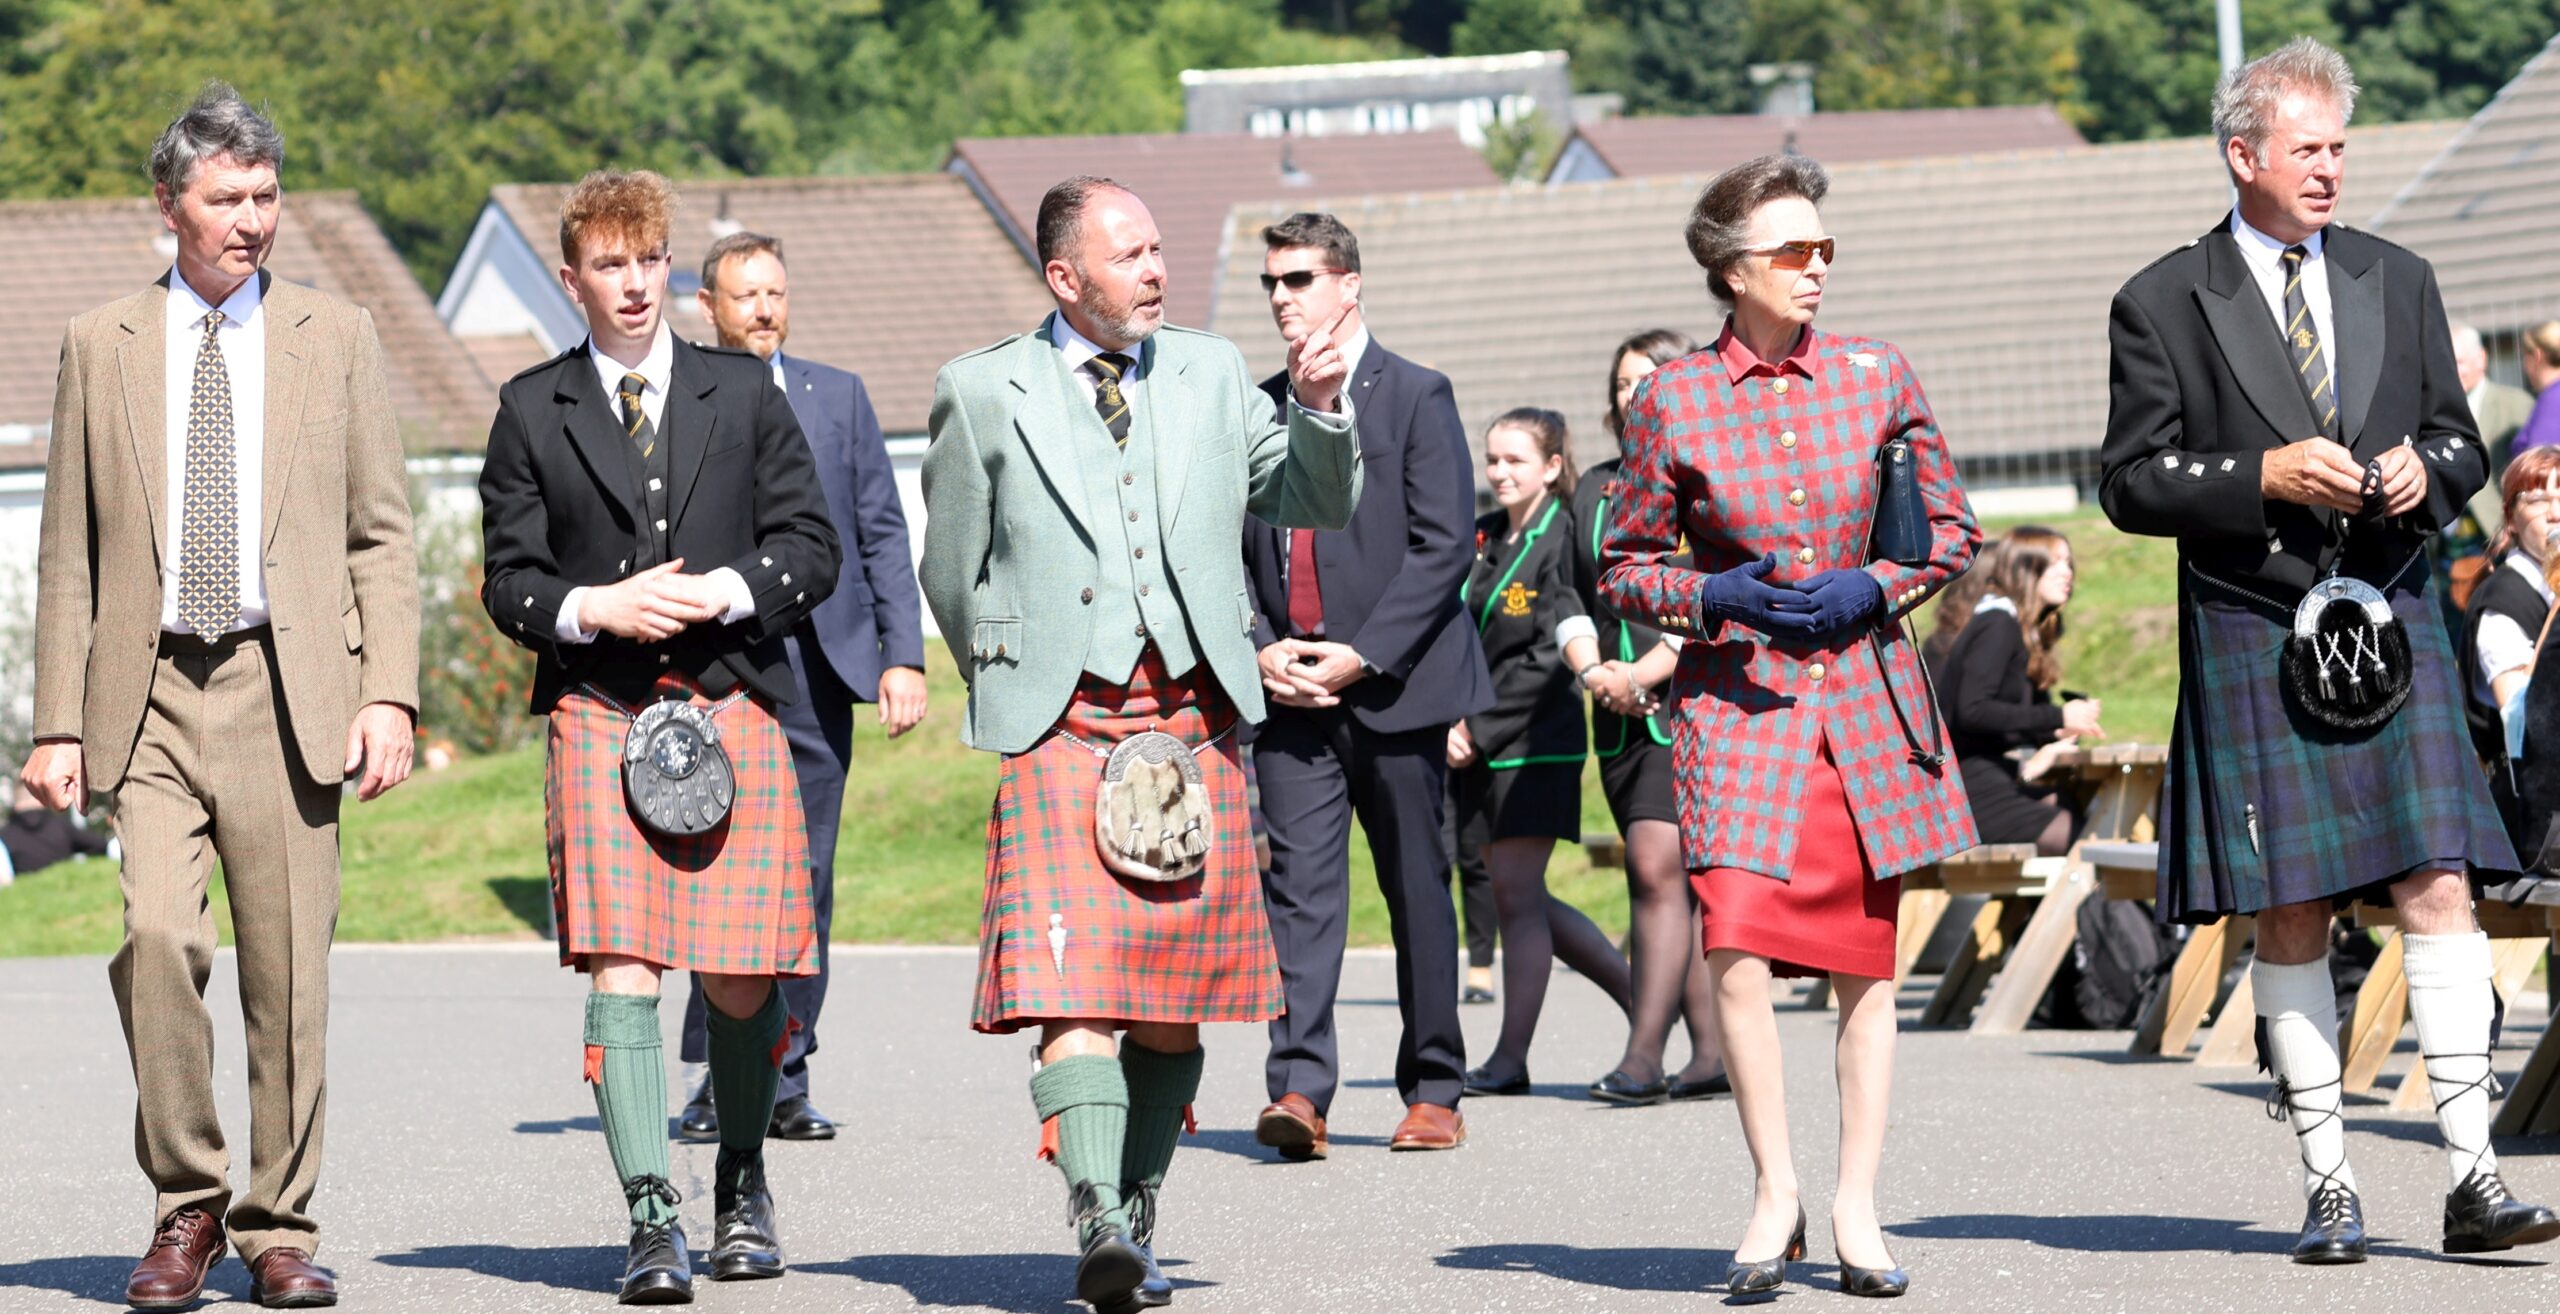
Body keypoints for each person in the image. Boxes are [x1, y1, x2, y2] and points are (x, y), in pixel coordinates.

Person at [2099, 39, 2556, 1264]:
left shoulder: (2396, 278)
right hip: (2255, 621)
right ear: (2241, 155)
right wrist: (2258, 476)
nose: (2329, 171)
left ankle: (2471, 1178)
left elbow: (2462, 443)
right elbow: (2128, 483)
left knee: (2440, 885)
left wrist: (2427, 472)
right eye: (2307, 149)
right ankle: (2329, 1184)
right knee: (2289, 907)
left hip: (2393, 611)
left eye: (2340, 149)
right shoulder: (2162, 298)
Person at [920, 175, 1360, 1314]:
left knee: (1170, 1003)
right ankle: (1096, 1216)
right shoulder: (982, 390)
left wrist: (1320, 404)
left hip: (1192, 719)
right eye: (1132, 255)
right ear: (1066, 278)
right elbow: (951, 569)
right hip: (1061, 726)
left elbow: (1312, 499)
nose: (1158, 269)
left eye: (1161, 247)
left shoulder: (1212, 372)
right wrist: (1017, 670)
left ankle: (1139, 1209)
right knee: (1075, 991)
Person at [20, 83, 421, 1312]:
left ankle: (281, 1226)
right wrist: (53, 725)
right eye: (226, 199)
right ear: (169, 204)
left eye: (266, 197)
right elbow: (69, 553)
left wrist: (389, 696)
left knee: (288, 977)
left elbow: (382, 538)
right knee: (157, 939)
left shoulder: (335, 334)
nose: (252, 221)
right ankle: (187, 1203)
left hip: (284, 687)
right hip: (143, 697)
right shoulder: (101, 343)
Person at [1599, 152, 1980, 1299]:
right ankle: (1775, 1192)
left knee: (1866, 969)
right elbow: (1622, 566)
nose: (1817, 269)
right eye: (1791, 252)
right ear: (1730, 271)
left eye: (1825, 249)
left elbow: (1949, 536)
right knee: (1738, 953)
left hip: (1863, 706)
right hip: (1739, 709)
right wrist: (1713, 596)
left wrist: (1878, 585)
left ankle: (1856, 1203)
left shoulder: (1878, 374)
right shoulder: (1671, 399)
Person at [478, 169, 841, 1303]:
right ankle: (649, 1217)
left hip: (729, 700)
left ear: (669, 269)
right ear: (573, 276)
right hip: (601, 709)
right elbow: (509, 580)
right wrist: (599, 609)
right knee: (624, 975)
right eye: (610, 265)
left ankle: (739, 1182)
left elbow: (811, 544)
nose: (635, 286)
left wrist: (725, 591)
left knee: (740, 978)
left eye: (650, 263)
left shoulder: (741, 392)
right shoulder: (532, 408)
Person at [673, 230, 930, 1146]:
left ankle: (788, 1072)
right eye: (747, 296)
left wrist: (904, 654)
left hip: (824, 670)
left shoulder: (839, 396)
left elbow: (881, 533)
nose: (766, 310)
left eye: (776, 293)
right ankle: (713, 1077)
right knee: (721, 874)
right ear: (709, 306)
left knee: (808, 878)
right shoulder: (681, 393)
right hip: (723, 673)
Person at [1243, 212, 1488, 1161]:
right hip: (1289, 695)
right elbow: (1226, 553)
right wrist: (1262, 647)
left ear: (1348, 284)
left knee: (1415, 887)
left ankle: (1434, 1086)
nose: (1281, 296)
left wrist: (1364, 655)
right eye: (1272, 281)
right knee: (1298, 895)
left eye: (1300, 278)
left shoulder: (1418, 395)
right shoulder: (1258, 407)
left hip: (1395, 687)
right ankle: (1299, 1090)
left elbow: (1442, 549)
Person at [1451, 408, 1635, 1097]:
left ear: (1554, 467)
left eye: (1514, 461)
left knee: (1518, 897)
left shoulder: (1562, 538)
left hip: (1534, 741)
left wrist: (1477, 725)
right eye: (1492, 459)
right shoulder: (1488, 535)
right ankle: (1647, 999)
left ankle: (1510, 1057)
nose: (1497, 472)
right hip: (1476, 737)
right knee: (1514, 895)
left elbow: (1549, 653)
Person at [1570, 329, 1729, 1104]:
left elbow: (1716, 583)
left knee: (1656, 867)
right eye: (1625, 382)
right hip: (1615, 710)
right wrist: (1595, 670)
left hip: (1686, 700)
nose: (1636, 393)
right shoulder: (1592, 487)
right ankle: (1710, 1055)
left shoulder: (1702, 474)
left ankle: (1642, 1057)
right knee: (1675, 880)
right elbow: (1569, 592)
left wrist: (1650, 667)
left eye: (1652, 378)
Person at [1926, 527, 2105, 856]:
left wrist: (2055, 730)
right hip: (1969, 790)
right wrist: (2058, 715)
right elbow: (1974, 710)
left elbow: (2005, 716)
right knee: (2088, 846)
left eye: (2069, 563)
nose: (2068, 573)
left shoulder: (2011, 625)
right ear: (2026, 568)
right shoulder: (1998, 623)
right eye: (2055, 563)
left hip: (1995, 779)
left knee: (2089, 819)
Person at [2460, 447, 2560, 812]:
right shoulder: (2503, 603)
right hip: (2531, 814)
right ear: (2511, 519)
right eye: (2537, 500)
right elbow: (2522, 719)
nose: (2556, 513)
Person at [2442, 324, 2539, 609]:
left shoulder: (2516, 404)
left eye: (2460, 361)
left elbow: (2528, 470)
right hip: (2448, 539)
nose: (2454, 370)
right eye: (2448, 361)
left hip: (2497, 531)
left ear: (2481, 359)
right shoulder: (2438, 407)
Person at [1, 771, 113, 878]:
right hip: (66, 888)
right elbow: (100, 845)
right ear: (41, 797)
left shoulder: (5, 836)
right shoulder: (60, 826)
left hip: (22, 895)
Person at [2507, 320, 2560, 455]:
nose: (2524, 366)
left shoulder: (2552, 400)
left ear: (2537, 355)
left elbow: (2540, 464)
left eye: (2525, 356)